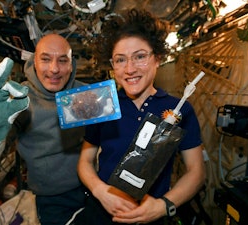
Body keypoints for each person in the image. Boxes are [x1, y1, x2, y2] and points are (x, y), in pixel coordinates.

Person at [74, 8, 206, 225]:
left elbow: (196, 172)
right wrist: (101, 191)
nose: (130, 69)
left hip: (151, 215)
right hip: (102, 213)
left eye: (140, 57)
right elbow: (85, 162)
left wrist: (163, 205)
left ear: (158, 59)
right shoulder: (102, 105)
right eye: (120, 60)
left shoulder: (179, 109)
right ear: (112, 65)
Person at [0, 33, 87, 225]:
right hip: (52, 198)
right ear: (34, 63)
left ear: (71, 65)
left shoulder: (86, 94)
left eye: (62, 60)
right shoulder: (18, 100)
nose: (54, 69)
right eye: (46, 59)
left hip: (93, 187)